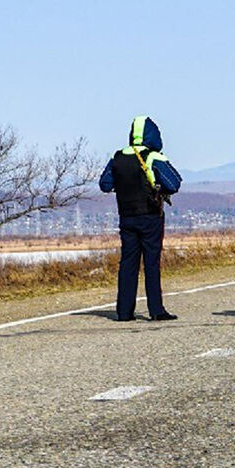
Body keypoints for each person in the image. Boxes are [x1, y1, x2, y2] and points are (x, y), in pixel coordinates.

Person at [99, 116, 183, 322]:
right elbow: (174, 183)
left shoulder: (118, 157)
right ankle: (156, 310)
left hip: (126, 217)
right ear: (152, 135)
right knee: (151, 263)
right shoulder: (153, 157)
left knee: (128, 263)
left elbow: (104, 184)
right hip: (150, 216)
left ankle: (124, 311)